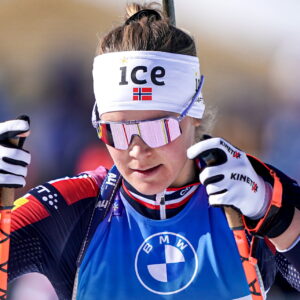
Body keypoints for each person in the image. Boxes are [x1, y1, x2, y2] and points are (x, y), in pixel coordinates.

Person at [0, 2, 299, 299]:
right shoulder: (73, 208)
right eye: (116, 130)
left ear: (194, 111)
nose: (137, 150)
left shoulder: (251, 190)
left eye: (158, 129)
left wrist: (274, 216)